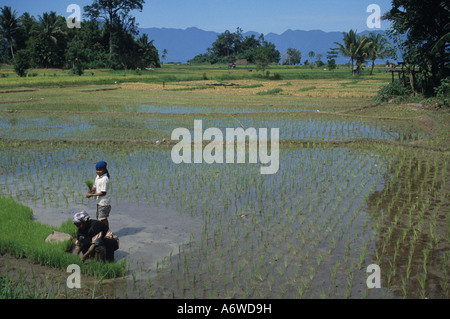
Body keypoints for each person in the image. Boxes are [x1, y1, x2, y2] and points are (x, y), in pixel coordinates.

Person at [86, 161, 111, 228]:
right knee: (99, 217)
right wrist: (91, 190)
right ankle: (102, 230)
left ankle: (106, 232)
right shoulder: (98, 177)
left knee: (103, 218)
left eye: (100, 170)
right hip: (99, 201)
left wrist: (92, 195)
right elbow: (95, 187)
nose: (98, 171)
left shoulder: (105, 179)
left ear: (104, 169)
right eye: (97, 170)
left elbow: (103, 192)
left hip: (104, 202)